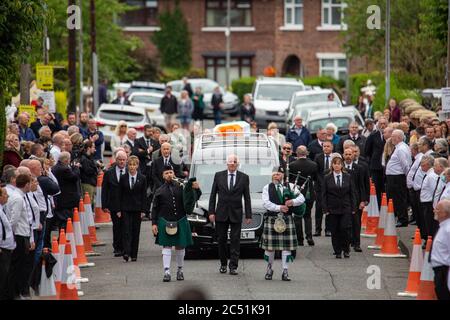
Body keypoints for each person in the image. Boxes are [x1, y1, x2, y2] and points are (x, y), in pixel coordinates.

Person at [152, 166, 201, 282]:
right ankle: (167, 272)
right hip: (165, 221)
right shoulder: (159, 191)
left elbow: (194, 198)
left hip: (181, 220)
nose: (169, 174)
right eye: (166, 173)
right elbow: (155, 209)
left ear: (174, 173)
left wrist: (197, 189)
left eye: (171, 172)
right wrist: (154, 223)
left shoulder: (182, 187)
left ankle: (180, 270)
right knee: (167, 246)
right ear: (163, 176)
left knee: (180, 246)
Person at [208, 154, 251, 275]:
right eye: (230, 162)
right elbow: (213, 195)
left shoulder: (244, 177)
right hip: (221, 213)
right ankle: (223, 264)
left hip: (236, 213)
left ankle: (233, 266)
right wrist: (211, 212)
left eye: (235, 162)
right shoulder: (218, 175)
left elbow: (247, 197)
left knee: (235, 240)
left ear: (237, 164)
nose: (232, 164)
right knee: (221, 239)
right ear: (227, 163)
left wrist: (248, 214)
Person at [261, 170, 305, 281]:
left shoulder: (290, 186)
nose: (276, 176)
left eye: (279, 174)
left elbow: (302, 198)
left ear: (283, 175)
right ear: (271, 175)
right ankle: (269, 269)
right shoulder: (267, 187)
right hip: (272, 218)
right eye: (274, 174)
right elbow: (266, 203)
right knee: (270, 248)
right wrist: (279, 207)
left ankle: (285, 271)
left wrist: (292, 202)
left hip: (287, 219)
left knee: (286, 248)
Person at [5, 174, 34, 299]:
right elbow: (14, 220)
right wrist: (10, 236)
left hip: (22, 234)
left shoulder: (17, 196)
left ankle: (16, 292)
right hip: (19, 235)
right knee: (18, 266)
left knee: (19, 265)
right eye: (30, 183)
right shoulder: (18, 198)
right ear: (26, 184)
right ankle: (15, 293)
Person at [322, 156, 356, 259]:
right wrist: (325, 209)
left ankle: (346, 249)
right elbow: (323, 194)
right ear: (332, 165)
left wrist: (353, 207)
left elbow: (352, 193)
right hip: (332, 208)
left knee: (344, 229)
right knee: (335, 230)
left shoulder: (348, 177)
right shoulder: (327, 177)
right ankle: (337, 251)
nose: (337, 165)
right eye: (335, 163)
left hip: (346, 207)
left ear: (342, 165)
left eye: (339, 163)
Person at [118, 156, 147, 262]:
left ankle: (134, 254)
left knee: (135, 231)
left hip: (137, 208)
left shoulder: (142, 178)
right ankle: (126, 252)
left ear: (137, 166)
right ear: (127, 165)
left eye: (134, 165)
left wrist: (144, 210)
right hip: (125, 208)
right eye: (130, 164)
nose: (132, 167)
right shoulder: (123, 178)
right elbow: (119, 194)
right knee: (126, 230)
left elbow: (144, 195)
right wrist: (118, 210)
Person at [288, 146, 317, 246]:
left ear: (296, 153)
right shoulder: (313, 165)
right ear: (307, 153)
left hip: (296, 193)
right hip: (309, 193)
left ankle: (300, 239)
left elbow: (290, 180)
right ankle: (309, 236)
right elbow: (316, 179)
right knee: (308, 216)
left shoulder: (292, 165)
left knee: (297, 216)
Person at [102, 151, 127, 257]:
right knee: (117, 226)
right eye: (120, 160)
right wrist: (104, 205)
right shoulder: (109, 173)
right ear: (116, 160)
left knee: (126, 226)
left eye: (123, 160)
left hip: (127, 204)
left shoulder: (130, 172)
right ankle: (117, 247)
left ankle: (125, 247)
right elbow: (105, 190)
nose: (122, 162)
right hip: (114, 203)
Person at [343, 148, 368, 252]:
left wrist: (363, 200)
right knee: (345, 223)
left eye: (350, 154)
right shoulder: (340, 167)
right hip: (344, 199)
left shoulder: (359, 168)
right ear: (343, 155)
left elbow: (362, 185)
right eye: (346, 154)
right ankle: (346, 243)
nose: (348, 156)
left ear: (353, 155)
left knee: (356, 223)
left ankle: (356, 243)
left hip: (356, 200)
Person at [386, 130, 412, 227]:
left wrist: (406, 176)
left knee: (399, 198)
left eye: (393, 136)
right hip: (394, 177)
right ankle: (400, 217)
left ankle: (403, 219)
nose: (391, 138)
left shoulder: (401, 149)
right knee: (396, 198)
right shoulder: (399, 147)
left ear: (399, 137)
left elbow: (405, 164)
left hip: (397, 177)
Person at [51, 152, 81, 231]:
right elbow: (74, 177)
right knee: (65, 220)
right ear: (66, 160)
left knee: (63, 220)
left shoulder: (55, 167)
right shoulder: (64, 169)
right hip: (66, 198)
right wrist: (76, 168)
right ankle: (63, 239)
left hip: (61, 198)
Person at [420, 157, 447, 241]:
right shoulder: (439, 176)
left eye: (435, 165)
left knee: (432, 227)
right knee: (430, 226)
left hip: (434, 206)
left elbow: (436, 192)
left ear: (441, 167)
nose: (433, 167)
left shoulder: (439, 177)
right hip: (433, 205)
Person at [365, 117, 388, 206]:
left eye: (384, 124)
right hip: (376, 167)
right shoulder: (373, 136)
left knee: (386, 189)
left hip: (388, 167)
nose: (382, 126)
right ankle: (378, 207)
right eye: (380, 124)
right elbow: (367, 151)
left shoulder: (391, 135)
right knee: (377, 188)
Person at [431, 199, 450, 300]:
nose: (434, 211)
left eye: (438, 209)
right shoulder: (443, 226)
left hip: (445, 271)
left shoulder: (448, 229)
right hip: (439, 270)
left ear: (445, 213)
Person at [314, 140, 333, 237]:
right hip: (319, 187)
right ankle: (318, 229)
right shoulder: (318, 157)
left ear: (332, 147)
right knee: (319, 208)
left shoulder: (335, 157)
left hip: (331, 187)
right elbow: (316, 172)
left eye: (328, 146)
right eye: (324, 146)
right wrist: (322, 182)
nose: (326, 148)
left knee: (329, 208)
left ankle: (328, 229)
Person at [0, 187, 15, 300]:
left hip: (7, 247)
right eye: (5, 194)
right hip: (2, 249)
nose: (8, 196)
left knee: (7, 277)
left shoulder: (2, 209)